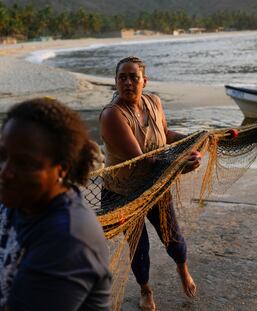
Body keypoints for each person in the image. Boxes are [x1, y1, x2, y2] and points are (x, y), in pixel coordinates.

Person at [0, 97, 111, 310]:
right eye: (2, 155)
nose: (5, 171)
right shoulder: (14, 201)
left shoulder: (69, 237)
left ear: (62, 168)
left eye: (24, 163)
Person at [99, 56, 200, 311]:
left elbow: (165, 136)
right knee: (139, 246)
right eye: (122, 77)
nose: (128, 82)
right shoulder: (112, 115)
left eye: (134, 77)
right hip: (122, 193)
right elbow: (141, 159)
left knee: (172, 237)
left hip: (155, 185)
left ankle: (182, 268)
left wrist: (192, 140)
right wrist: (180, 164)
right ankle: (145, 290)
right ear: (116, 82)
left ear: (145, 81)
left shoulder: (153, 102)